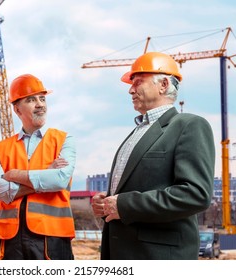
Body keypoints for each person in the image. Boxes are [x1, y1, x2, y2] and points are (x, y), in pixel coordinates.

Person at [91, 52, 215, 260]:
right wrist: (108, 201)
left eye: (138, 82)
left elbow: (195, 194)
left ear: (164, 84)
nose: (131, 89)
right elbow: (136, 188)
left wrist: (124, 205)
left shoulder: (189, 126)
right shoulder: (137, 132)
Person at [0, 74, 76, 260]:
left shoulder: (64, 140)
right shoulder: (3, 147)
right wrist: (44, 176)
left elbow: (59, 180)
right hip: (6, 240)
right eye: (31, 99)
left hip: (51, 238)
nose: (40, 104)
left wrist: (15, 175)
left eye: (42, 98)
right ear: (17, 109)